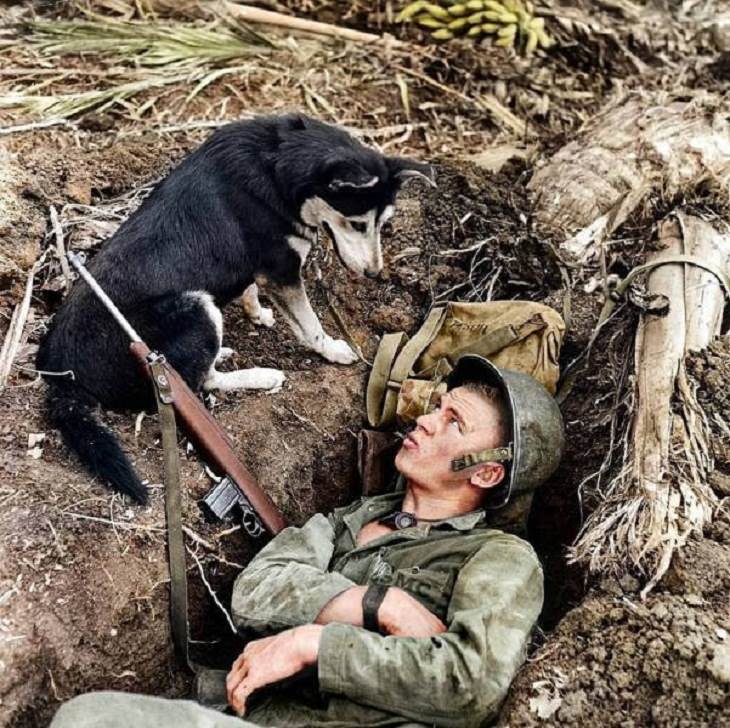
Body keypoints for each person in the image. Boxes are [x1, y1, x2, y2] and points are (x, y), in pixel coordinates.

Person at [50, 355, 564, 728]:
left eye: (454, 423)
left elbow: (469, 683)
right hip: (262, 714)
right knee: (90, 717)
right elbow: (255, 592)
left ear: (489, 473)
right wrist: (376, 603)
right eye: (439, 407)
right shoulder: (349, 521)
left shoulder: (500, 557)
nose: (426, 420)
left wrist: (316, 642)